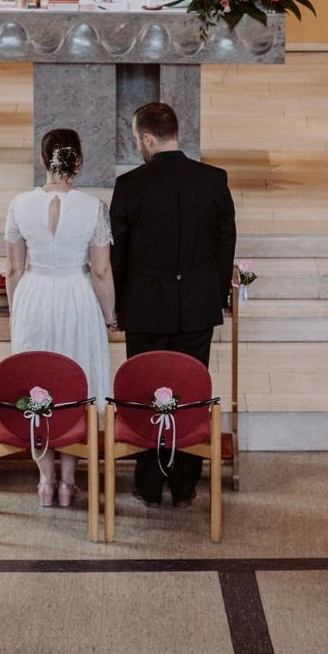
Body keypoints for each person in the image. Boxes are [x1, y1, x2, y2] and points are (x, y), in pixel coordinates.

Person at [109, 102, 236, 509]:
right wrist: (213, 297)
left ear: (147, 138)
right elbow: (224, 247)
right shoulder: (214, 180)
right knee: (189, 393)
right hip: (197, 306)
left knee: (146, 393)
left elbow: (119, 255)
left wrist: (118, 307)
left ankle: (149, 484)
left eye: (136, 139)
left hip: (145, 306)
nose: (138, 146)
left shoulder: (130, 185)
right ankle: (184, 485)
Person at [4, 128, 116, 508]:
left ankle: (44, 481)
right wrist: (110, 314)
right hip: (76, 295)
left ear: (41, 160)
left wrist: (16, 312)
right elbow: (101, 272)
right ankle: (69, 481)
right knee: (75, 385)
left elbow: (14, 269)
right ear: (78, 163)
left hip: (35, 295)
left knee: (38, 384)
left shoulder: (19, 204)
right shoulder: (94, 207)